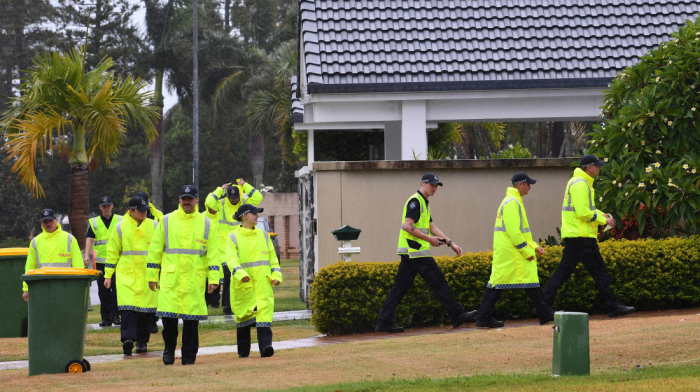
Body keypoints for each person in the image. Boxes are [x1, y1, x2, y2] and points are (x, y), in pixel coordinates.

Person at [376, 173, 478, 333]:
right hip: (416, 252)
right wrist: (430, 240)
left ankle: (384, 321)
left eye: (437, 185)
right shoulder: (415, 202)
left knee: (400, 288)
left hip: (414, 253)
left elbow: (432, 227)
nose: (435, 188)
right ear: (423, 183)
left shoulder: (424, 203)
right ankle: (457, 314)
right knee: (439, 283)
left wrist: (450, 243)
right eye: (432, 184)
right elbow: (407, 226)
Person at [543, 155, 635, 317]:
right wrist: (603, 220)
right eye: (598, 166)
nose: (600, 168)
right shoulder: (580, 184)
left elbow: (587, 209)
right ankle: (613, 306)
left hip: (577, 236)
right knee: (599, 271)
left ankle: (542, 306)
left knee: (564, 272)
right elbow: (582, 212)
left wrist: (602, 214)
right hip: (582, 236)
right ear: (589, 167)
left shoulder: (580, 182)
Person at [147, 185, 220, 365]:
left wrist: (214, 278)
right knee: (169, 321)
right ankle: (169, 350)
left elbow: (213, 253)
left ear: (196, 200)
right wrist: (151, 275)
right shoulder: (166, 220)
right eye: (184, 198)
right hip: (172, 279)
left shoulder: (206, 223)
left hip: (194, 280)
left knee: (191, 322)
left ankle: (189, 356)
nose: (186, 202)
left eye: (190, 198)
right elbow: (155, 250)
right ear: (179, 200)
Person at [475, 173, 556, 328]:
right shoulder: (512, 203)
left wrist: (533, 247)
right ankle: (544, 313)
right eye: (528, 184)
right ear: (520, 185)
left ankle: (484, 317)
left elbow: (521, 232)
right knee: (505, 282)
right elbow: (514, 232)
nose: (530, 187)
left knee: (506, 282)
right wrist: (527, 251)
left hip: (509, 251)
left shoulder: (512, 201)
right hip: (512, 252)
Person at [225, 204, 282, 358]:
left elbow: (273, 261)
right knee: (243, 319)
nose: (257, 216)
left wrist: (276, 277)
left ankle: (266, 347)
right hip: (244, 285)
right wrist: (240, 274)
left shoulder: (264, 235)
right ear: (244, 216)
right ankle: (243, 352)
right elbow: (231, 260)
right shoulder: (233, 237)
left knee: (263, 317)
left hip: (263, 285)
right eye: (254, 213)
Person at [104, 196, 159, 355]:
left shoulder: (155, 226)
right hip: (126, 275)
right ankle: (127, 339)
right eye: (140, 210)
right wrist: (108, 276)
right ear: (131, 210)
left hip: (148, 275)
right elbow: (112, 253)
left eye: (146, 210)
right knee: (127, 310)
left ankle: (142, 342)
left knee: (145, 312)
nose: (144, 213)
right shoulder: (120, 228)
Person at [205, 179, 263, 314]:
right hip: (224, 247)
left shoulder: (244, 203)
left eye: (236, 197)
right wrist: (220, 188)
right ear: (227, 196)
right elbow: (209, 202)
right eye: (231, 198)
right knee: (228, 276)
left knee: (245, 275)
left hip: (242, 244)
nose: (234, 200)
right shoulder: (222, 203)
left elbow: (258, 197)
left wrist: (245, 185)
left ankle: (247, 302)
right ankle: (227, 304)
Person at [23, 209, 84, 301]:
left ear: (56, 220)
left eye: (50, 221)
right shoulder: (35, 242)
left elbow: (78, 264)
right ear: (41, 224)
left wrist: (79, 285)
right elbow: (30, 267)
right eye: (45, 222)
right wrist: (26, 288)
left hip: (65, 285)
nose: (48, 224)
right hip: (43, 286)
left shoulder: (69, 239)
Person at [84, 196, 122, 327]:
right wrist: (87, 255)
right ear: (100, 207)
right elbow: (89, 239)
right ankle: (106, 318)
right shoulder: (94, 222)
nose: (106, 208)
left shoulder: (120, 220)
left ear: (112, 206)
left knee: (117, 289)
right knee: (103, 290)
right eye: (104, 206)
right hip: (100, 261)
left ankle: (116, 316)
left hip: (117, 260)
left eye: (108, 205)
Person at [134, 191, 163, 334]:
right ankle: (146, 322)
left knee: (154, 292)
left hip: (154, 258)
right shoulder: (135, 214)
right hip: (139, 262)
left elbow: (163, 225)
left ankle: (153, 320)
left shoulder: (155, 214)